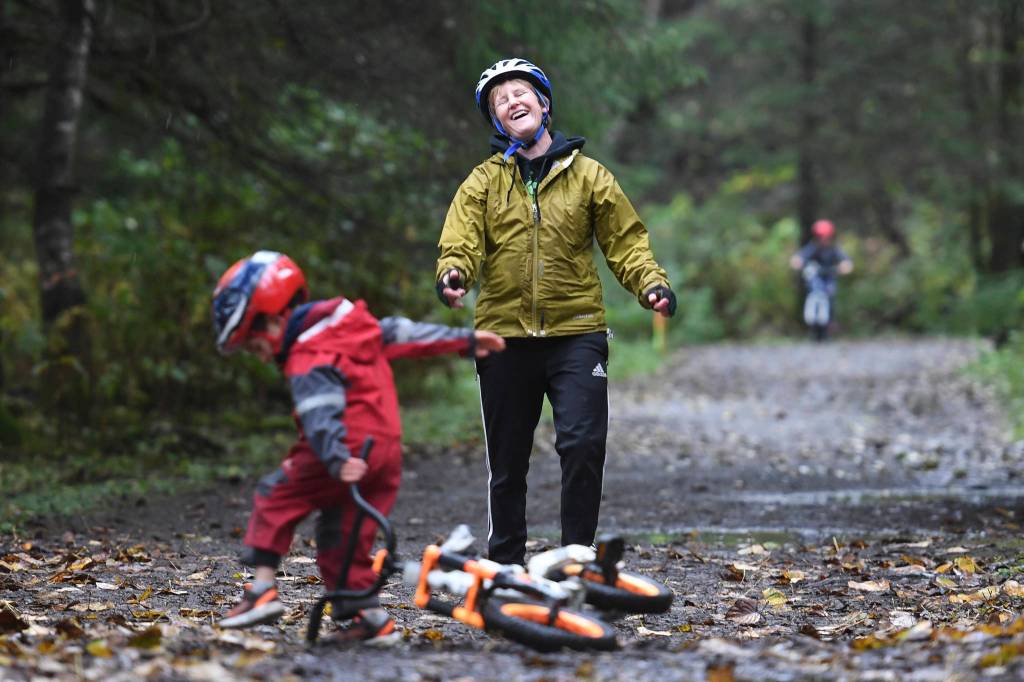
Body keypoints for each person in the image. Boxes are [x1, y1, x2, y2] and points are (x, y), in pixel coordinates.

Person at [434, 58, 675, 566]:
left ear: (543, 104)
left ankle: (576, 558)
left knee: (583, 446)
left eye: (520, 92)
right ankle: (504, 564)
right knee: (507, 462)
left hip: (576, 332)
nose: (511, 101)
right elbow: (461, 242)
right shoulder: (483, 183)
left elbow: (626, 243)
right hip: (503, 336)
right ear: (497, 122)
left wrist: (651, 284)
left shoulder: (590, 177)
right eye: (500, 100)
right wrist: (454, 273)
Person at [211, 250, 504, 640]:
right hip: (384, 453)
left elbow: (320, 413)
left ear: (273, 317)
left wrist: (334, 456)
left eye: (253, 344)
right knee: (342, 534)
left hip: (343, 449)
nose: (259, 356)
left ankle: (262, 590)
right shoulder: (350, 324)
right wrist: (462, 341)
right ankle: (368, 619)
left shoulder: (307, 354)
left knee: (275, 495)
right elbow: (404, 334)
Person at [789, 219, 854, 334]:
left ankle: (830, 322)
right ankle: (812, 326)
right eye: (821, 237)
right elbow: (799, 258)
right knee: (811, 293)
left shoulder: (834, 249)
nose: (824, 240)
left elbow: (846, 262)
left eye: (826, 237)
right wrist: (799, 263)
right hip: (815, 280)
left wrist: (843, 267)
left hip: (829, 279)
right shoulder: (812, 248)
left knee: (831, 296)